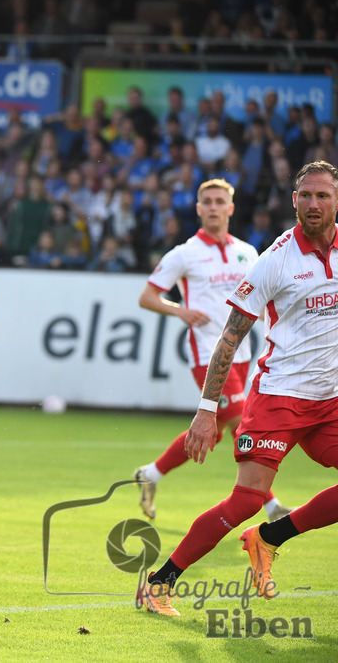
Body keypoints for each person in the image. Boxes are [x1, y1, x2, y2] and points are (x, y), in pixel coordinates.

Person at [140, 161, 338, 617]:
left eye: (323, 196)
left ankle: (270, 537)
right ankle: (159, 583)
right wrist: (205, 409)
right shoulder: (274, 260)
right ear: (294, 200)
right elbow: (229, 337)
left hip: (328, 401)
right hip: (279, 398)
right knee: (247, 500)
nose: (313, 204)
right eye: (306, 196)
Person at [132, 178, 291, 522]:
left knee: (214, 433)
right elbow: (147, 297)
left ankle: (150, 474)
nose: (214, 207)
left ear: (231, 208)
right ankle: (272, 506)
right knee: (242, 424)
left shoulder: (247, 252)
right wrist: (181, 311)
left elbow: (262, 297)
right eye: (208, 202)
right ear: (199, 209)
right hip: (206, 354)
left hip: (243, 354)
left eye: (220, 201)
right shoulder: (184, 253)